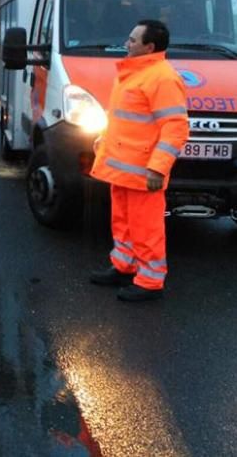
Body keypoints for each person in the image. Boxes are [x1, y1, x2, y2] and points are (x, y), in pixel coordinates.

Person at [89, 19, 189, 301]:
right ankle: (124, 266)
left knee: (147, 228)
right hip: (123, 169)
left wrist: (158, 168)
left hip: (144, 172)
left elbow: (175, 127)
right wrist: (104, 141)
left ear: (150, 46)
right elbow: (123, 119)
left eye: (133, 40)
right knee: (122, 223)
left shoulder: (162, 78)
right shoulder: (134, 74)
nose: (127, 43)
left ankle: (149, 282)